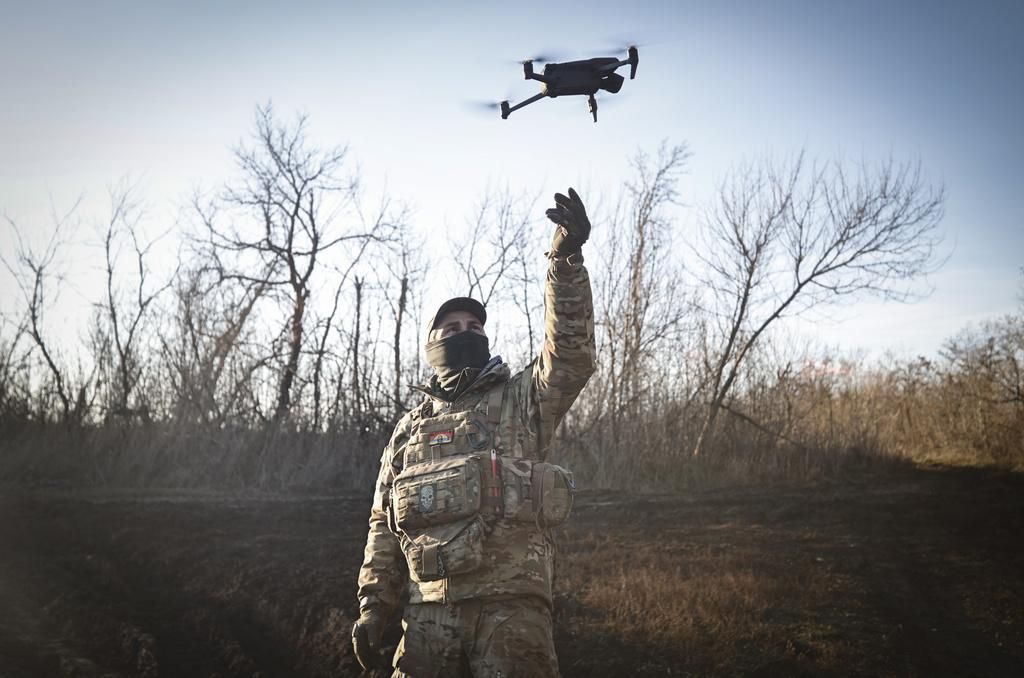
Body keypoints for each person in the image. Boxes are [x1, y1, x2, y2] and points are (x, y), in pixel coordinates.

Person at [352, 188, 596, 677]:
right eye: (451, 326)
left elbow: (570, 356)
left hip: (511, 610)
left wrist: (564, 262)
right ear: (432, 345)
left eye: (475, 326)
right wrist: (375, 607)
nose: (466, 331)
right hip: (426, 615)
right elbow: (384, 526)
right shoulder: (406, 433)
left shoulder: (521, 400)